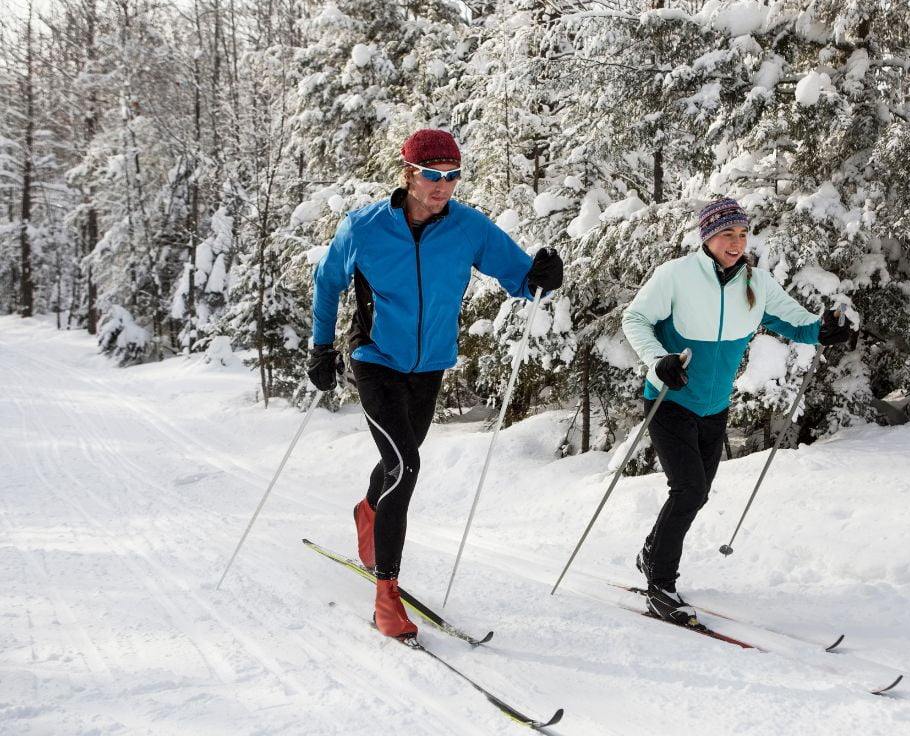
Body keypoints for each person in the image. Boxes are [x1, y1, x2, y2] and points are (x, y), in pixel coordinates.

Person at [307, 128, 563, 638]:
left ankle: (368, 511)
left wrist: (542, 275)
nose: (442, 185)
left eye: (451, 176)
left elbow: (520, 277)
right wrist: (320, 347)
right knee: (407, 462)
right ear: (408, 173)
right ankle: (386, 596)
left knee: (395, 461)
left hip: (430, 364)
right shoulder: (365, 227)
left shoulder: (468, 227)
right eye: (432, 175)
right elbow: (329, 281)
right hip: (375, 356)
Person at [620, 197, 850, 625]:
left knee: (699, 491)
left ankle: (652, 552)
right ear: (707, 236)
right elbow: (635, 319)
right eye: (728, 234)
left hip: (714, 406)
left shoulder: (755, 282)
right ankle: (660, 583)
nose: (736, 242)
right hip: (669, 400)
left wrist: (826, 329)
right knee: (688, 489)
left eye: (743, 234)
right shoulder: (676, 276)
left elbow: (796, 322)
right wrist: (658, 359)